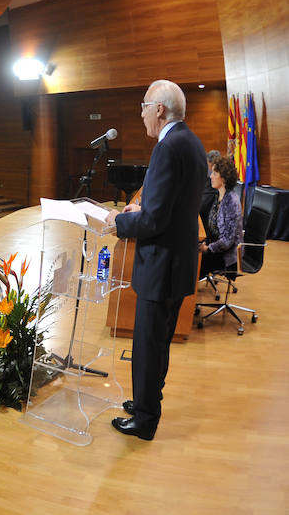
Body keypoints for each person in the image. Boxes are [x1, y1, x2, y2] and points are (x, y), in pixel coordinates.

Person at [104, 80, 207, 441]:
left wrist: (118, 221)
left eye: (144, 106)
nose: (142, 113)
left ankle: (146, 419)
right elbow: (172, 205)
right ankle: (147, 400)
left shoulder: (168, 147)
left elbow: (153, 222)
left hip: (161, 265)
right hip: (177, 262)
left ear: (159, 109)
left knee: (148, 344)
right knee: (156, 343)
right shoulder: (190, 142)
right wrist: (143, 206)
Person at [199, 157, 242, 279]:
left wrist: (207, 248)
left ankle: (187, 296)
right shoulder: (219, 196)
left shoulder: (231, 202)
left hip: (224, 256)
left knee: (190, 260)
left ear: (223, 178)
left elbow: (227, 241)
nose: (211, 176)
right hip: (213, 247)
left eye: (214, 173)